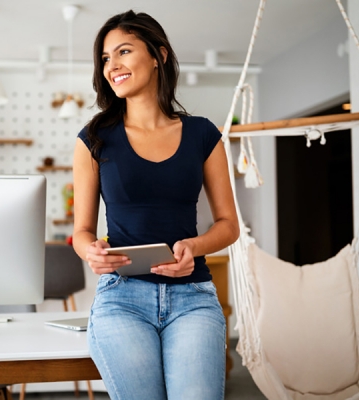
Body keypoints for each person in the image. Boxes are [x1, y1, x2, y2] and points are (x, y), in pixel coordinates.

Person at [72, 10, 240, 400]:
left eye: (124, 51)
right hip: (122, 297)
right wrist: (90, 251)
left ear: (158, 55)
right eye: (105, 58)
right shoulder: (94, 139)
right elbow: (81, 232)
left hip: (192, 298)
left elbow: (228, 224)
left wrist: (194, 246)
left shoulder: (203, 134)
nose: (112, 65)